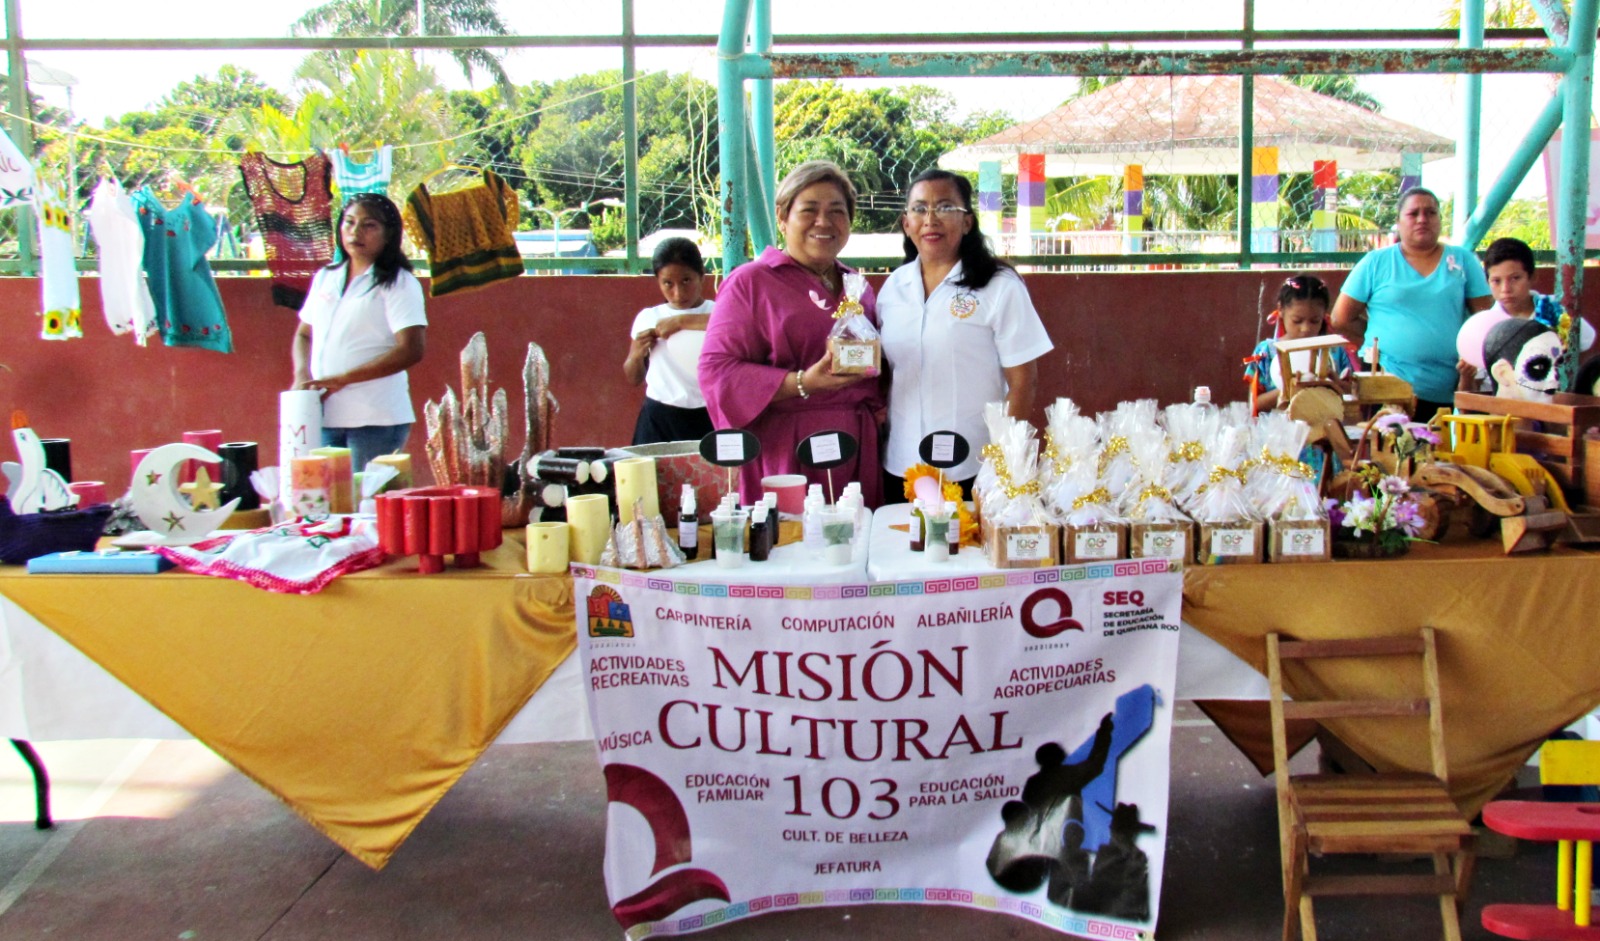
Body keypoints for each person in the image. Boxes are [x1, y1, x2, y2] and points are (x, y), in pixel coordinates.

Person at [699, 161, 884, 506]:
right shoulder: (750, 283)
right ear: (783, 217)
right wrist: (803, 383)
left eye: (837, 211)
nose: (824, 222)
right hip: (787, 448)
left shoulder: (857, 287)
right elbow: (716, 372)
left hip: (856, 445)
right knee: (794, 542)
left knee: (855, 544)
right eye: (809, 210)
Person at [877, 168, 1053, 501]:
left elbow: (1023, 382)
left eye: (945, 207)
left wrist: (1001, 462)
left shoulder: (999, 285)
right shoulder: (893, 288)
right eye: (919, 209)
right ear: (906, 223)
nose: (931, 219)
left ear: (967, 222)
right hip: (901, 463)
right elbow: (886, 372)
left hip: (975, 461)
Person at [292, 192, 428, 471]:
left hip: (375, 418)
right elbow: (304, 334)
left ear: (389, 235)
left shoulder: (398, 283)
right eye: (349, 222)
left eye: (369, 225)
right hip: (324, 415)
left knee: (366, 504)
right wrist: (301, 374)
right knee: (329, 504)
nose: (356, 232)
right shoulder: (326, 277)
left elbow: (411, 349)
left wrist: (344, 378)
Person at [1329, 186, 1492, 419]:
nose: (1422, 219)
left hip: (1447, 386)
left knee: (1439, 452)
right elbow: (1341, 319)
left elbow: (1483, 320)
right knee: (1391, 450)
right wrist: (1382, 338)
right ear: (1398, 221)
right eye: (1413, 213)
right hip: (1387, 383)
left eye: (1430, 213)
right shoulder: (1375, 262)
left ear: (1439, 219)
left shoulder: (1463, 260)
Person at [624, 238, 715, 445]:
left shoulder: (719, 313)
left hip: (709, 415)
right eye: (668, 283)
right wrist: (638, 354)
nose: (678, 293)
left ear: (701, 276)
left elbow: (733, 325)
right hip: (659, 417)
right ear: (657, 281)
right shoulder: (648, 318)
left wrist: (681, 322)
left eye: (686, 281)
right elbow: (633, 377)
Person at [1244, 274, 1354, 412]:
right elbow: (1254, 405)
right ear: (1281, 310)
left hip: (1327, 429)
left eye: (1315, 321)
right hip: (1279, 430)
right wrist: (1290, 389)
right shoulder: (1266, 353)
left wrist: (1334, 384)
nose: (1305, 328)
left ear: (1324, 315)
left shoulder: (1334, 351)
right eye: (1297, 320)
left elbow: (1354, 396)